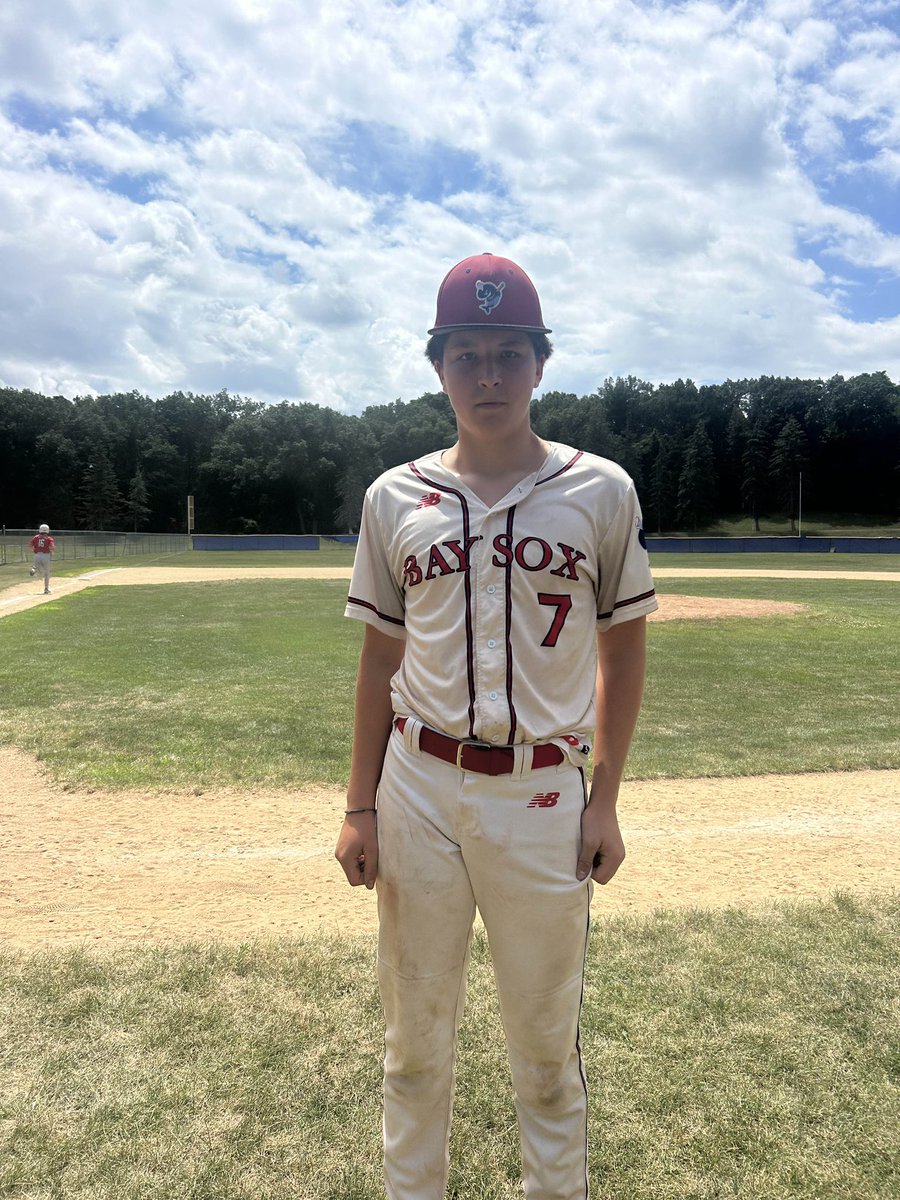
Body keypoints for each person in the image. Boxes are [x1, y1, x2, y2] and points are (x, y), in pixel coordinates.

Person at [335, 252, 658, 1200]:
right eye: (466, 354)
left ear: (540, 365)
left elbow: (625, 652)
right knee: (413, 1048)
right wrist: (361, 806)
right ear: (438, 365)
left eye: (507, 354)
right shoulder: (394, 496)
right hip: (419, 787)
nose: (487, 376)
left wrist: (607, 800)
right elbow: (377, 661)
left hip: (546, 793)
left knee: (546, 1054)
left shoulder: (600, 489)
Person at [30, 523, 55, 594]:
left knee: (38, 568)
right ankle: (46, 589)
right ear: (47, 530)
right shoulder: (49, 538)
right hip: (46, 556)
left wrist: (34, 550)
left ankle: (34, 569)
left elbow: (30, 545)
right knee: (47, 573)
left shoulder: (36, 537)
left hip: (37, 555)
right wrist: (51, 550)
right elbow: (52, 547)